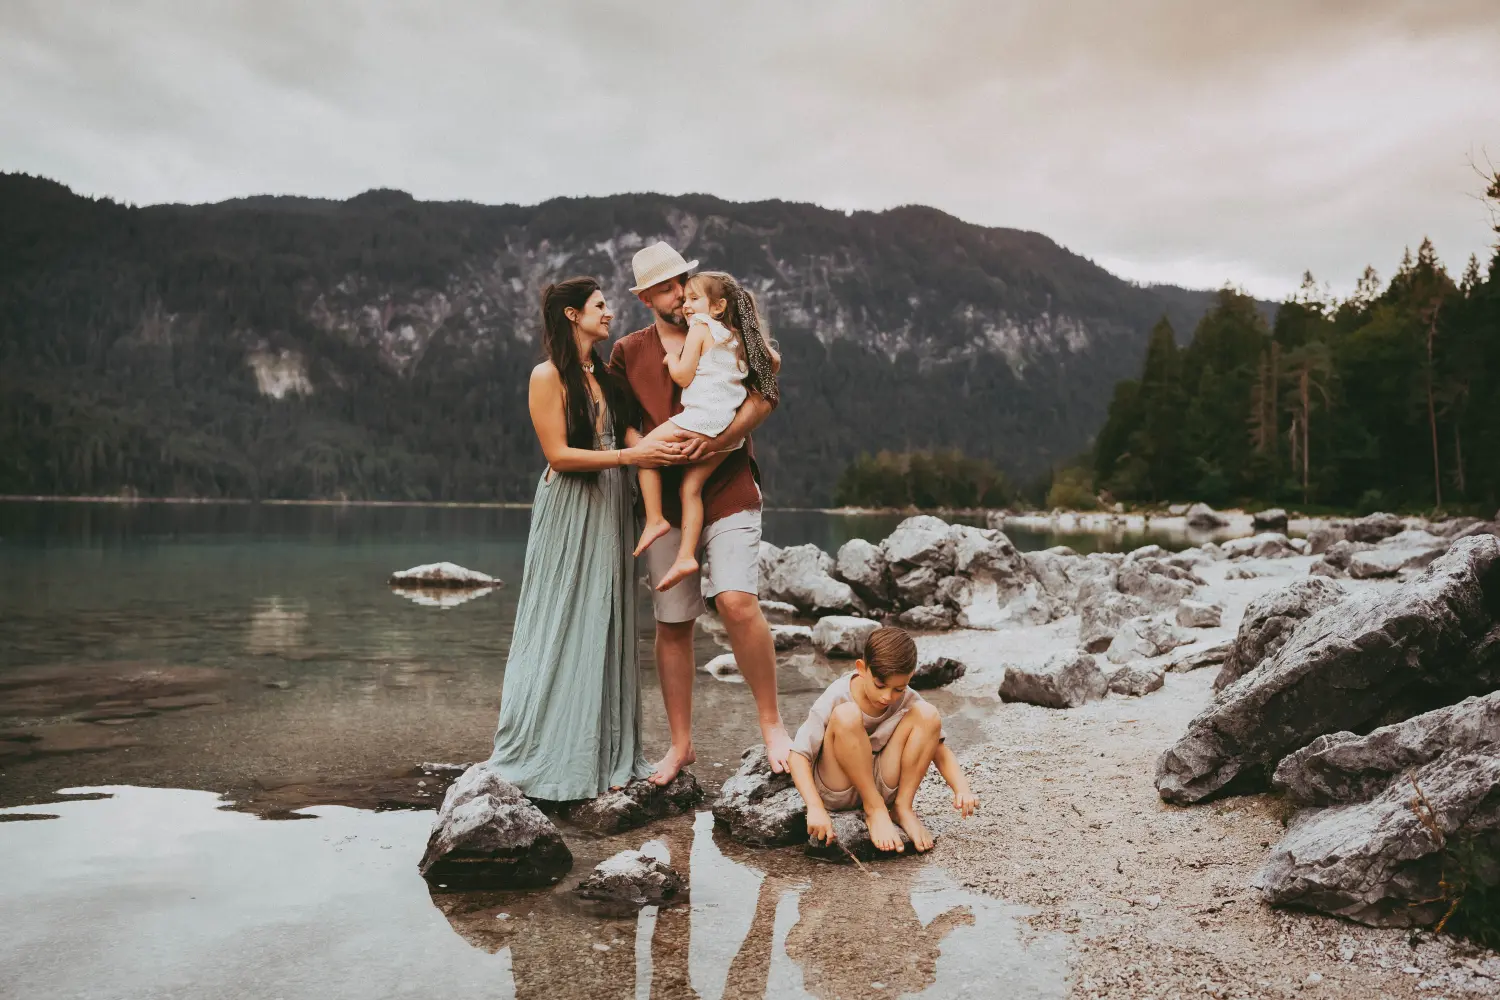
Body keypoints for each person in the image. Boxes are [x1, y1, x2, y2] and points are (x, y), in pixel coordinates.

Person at [486, 276, 684, 800]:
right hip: (571, 505)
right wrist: (628, 457)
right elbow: (558, 455)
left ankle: (604, 753)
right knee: (556, 619)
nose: (609, 313)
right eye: (599, 306)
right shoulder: (546, 376)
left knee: (605, 620)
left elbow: (636, 440)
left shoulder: (610, 378)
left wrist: (669, 455)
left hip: (612, 505)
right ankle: (546, 747)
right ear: (572, 315)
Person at [608, 241, 791, 785]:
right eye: (665, 287)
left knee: (736, 603)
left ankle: (773, 726)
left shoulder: (725, 327)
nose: (679, 293)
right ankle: (682, 746)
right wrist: (644, 452)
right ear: (644, 297)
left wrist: (721, 442)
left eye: (682, 281)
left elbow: (766, 394)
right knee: (673, 623)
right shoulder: (628, 351)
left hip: (730, 482)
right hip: (662, 495)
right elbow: (623, 422)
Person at [632, 270, 781, 592]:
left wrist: (672, 359)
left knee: (644, 455)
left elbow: (684, 377)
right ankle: (686, 555)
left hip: (701, 419)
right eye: (684, 299)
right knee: (691, 489)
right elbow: (771, 368)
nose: (685, 305)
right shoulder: (738, 338)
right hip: (730, 432)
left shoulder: (700, 328)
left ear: (717, 307)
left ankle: (656, 517)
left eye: (692, 298)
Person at [787, 626, 979, 853]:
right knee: (846, 715)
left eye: (899, 688)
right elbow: (798, 756)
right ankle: (874, 808)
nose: (887, 697)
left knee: (928, 714)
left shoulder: (906, 697)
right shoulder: (838, 694)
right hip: (838, 785)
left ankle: (902, 808)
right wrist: (815, 807)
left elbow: (938, 749)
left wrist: (962, 788)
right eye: (880, 685)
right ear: (861, 669)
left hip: (880, 780)